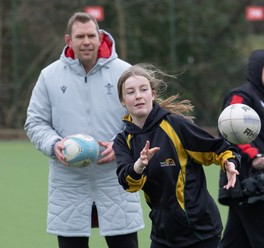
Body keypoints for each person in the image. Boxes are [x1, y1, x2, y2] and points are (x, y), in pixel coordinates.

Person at [24, 12, 144, 248]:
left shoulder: (125, 72)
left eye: (91, 35)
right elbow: (35, 122)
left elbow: (142, 119)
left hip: (116, 177)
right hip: (68, 181)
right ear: (69, 40)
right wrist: (54, 144)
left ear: (100, 37)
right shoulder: (49, 76)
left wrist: (121, 145)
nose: (86, 41)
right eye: (80, 37)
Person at [113, 63, 240, 248]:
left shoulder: (175, 125)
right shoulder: (123, 141)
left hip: (200, 231)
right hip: (162, 234)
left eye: (143, 89)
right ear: (123, 100)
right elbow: (127, 182)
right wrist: (139, 165)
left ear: (153, 94)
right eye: (130, 92)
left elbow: (216, 149)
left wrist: (229, 162)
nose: (138, 96)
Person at [218, 49, 264, 248]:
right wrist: (255, 155)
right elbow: (231, 129)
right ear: (257, 70)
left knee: (234, 242)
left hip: (255, 187)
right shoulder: (241, 96)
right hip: (246, 180)